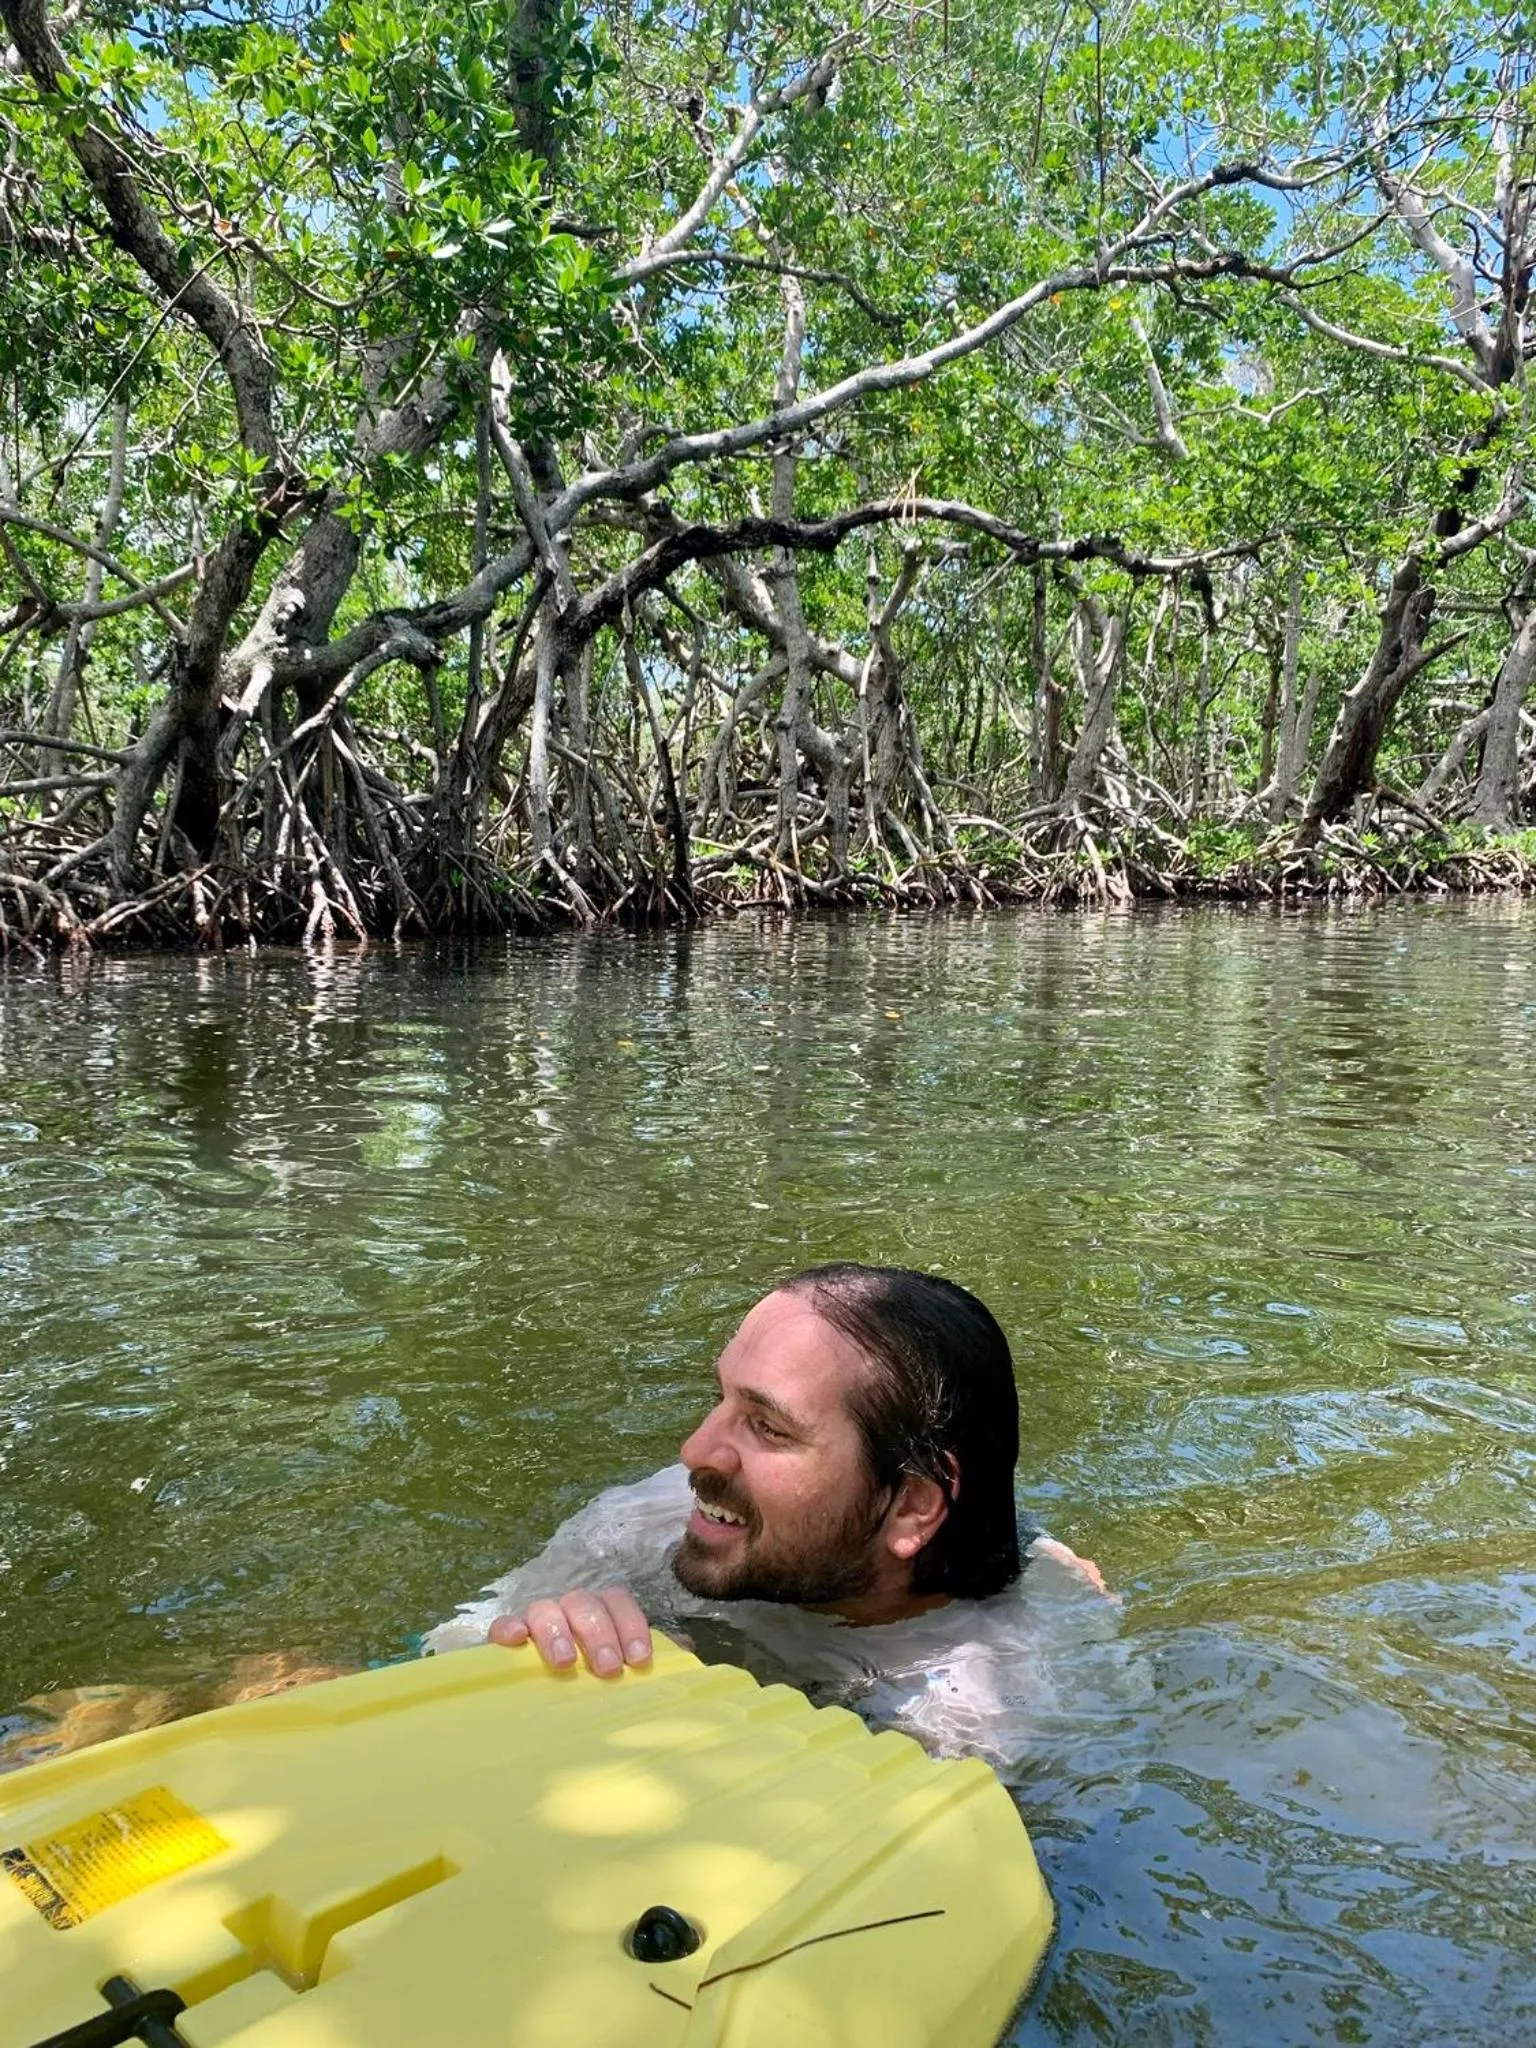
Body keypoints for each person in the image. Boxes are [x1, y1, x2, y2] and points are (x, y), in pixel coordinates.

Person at [425, 1264, 1111, 1765]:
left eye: (768, 1427)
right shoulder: (653, 1514)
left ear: (911, 1507)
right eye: (721, 1398)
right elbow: (432, 1669)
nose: (695, 1450)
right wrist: (527, 1664)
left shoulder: (989, 1708)